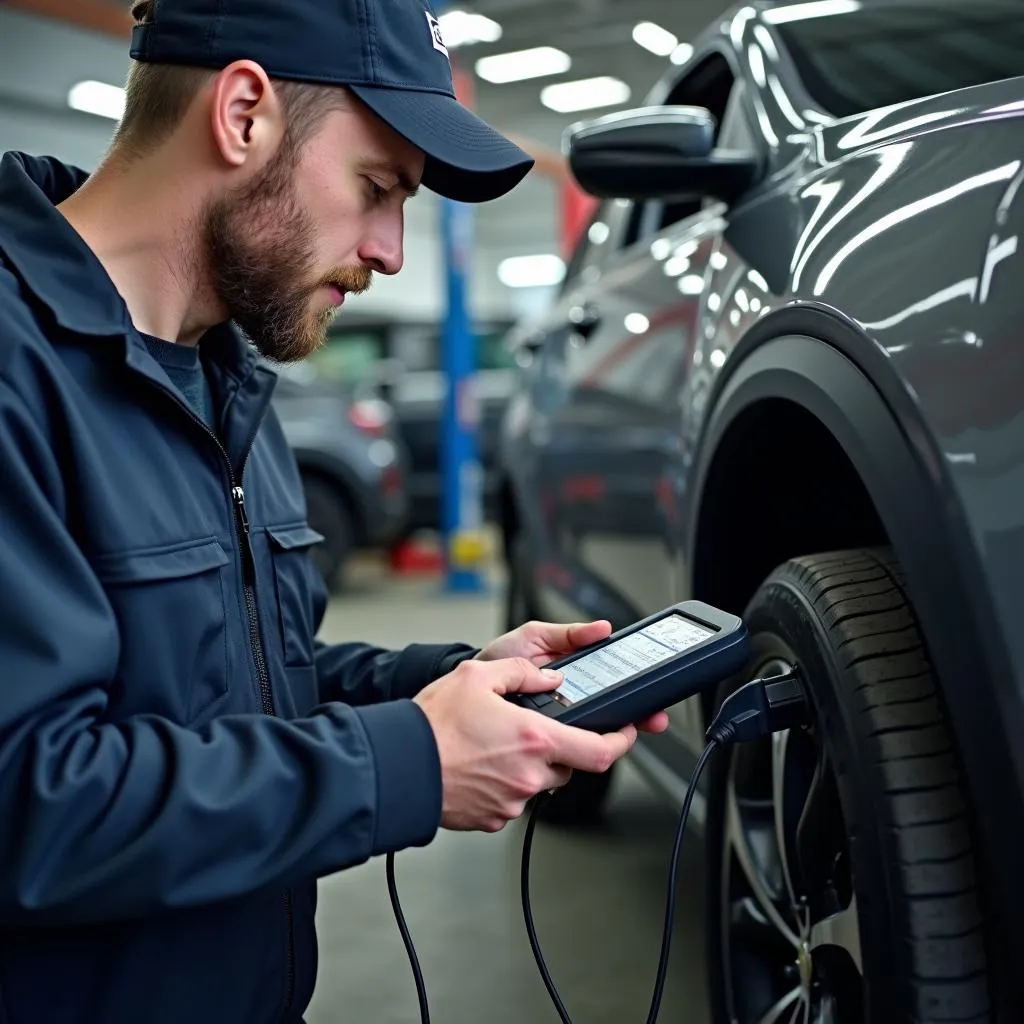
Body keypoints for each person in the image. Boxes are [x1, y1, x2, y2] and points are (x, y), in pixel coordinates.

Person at [0, 0, 669, 1021]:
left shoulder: (229, 385)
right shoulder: (16, 370)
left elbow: (238, 693)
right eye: (376, 187)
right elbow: (27, 802)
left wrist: (445, 686)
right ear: (243, 114)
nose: (392, 250)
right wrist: (409, 760)